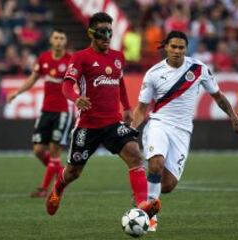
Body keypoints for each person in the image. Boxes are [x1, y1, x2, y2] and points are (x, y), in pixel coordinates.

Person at [131, 31, 238, 231]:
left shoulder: (198, 69)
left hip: (182, 131)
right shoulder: (153, 73)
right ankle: (148, 216)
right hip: (159, 124)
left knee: (167, 185)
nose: (177, 51)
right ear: (166, 47)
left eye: (181, 47)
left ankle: (142, 194)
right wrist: (131, 129)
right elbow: (142, 108)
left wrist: (235, 120)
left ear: (186, 49)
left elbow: (219, 97)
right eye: (173, 47)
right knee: (156, 163)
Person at [45, 12, 160, 219]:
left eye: (109, 31)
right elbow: (67, 85)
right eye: (102, 32)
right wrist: (76, 98)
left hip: (112, 122)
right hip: (87, 126)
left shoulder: (118, 57)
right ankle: (59, 188)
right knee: (73, 172)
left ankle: (142, 203)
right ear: (91, 33)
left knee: (135, 154)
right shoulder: (80, 58)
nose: (107, 36)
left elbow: (120, 83)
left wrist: (126, 107)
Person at [7, 28, 74, 197]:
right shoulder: (44, 58)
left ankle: (44, 189)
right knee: (38, 150)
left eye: (61, 38)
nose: (58, 41)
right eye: (56, 38)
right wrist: (17, 92)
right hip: (46, 111)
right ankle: (62, 174)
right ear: (51, 41)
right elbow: (32, 79)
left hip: (63, 112)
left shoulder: (71, 60)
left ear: (65, 41)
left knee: (54, 151)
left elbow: (79, 82)